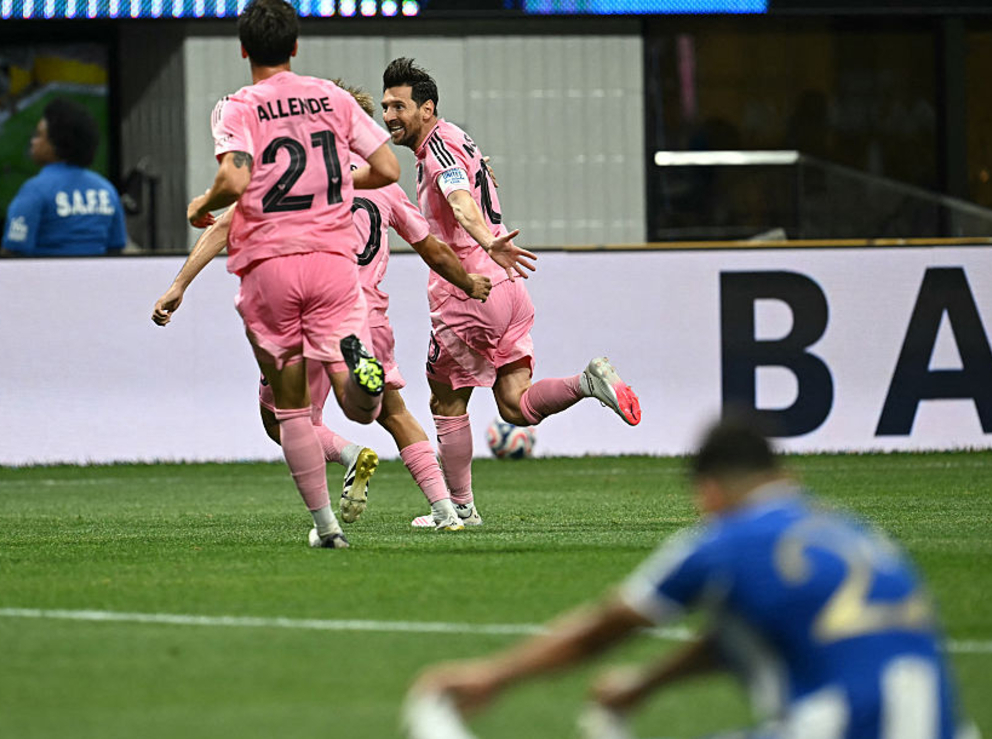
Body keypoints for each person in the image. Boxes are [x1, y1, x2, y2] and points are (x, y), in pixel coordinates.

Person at [403, 416, 983, 739]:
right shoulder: (855, 534)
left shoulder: (726, 541)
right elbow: (739, 639)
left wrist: (493, 677)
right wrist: (645, 685)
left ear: (708, 491)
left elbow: (605, 629)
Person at [153, 82, 496, 532]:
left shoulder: (295, 175)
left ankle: (349, 457)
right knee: (393, 413)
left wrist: (178, 285)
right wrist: (468, 281)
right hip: (368, 316)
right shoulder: (385, 185)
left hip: (309, 310)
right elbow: (431, 248)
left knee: (283, 419)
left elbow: (224, 228)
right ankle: (446, 510)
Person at [381, 57, 642, 529]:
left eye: (399, 106)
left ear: (427, 108)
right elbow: (470, 184)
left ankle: (460, 509)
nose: (389, 116)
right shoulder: (458, 138)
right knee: (514, 405)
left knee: (446, 403)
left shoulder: (438, 150)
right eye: (386, 107)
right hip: (510, 291)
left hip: (469, 291)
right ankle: (586, 383)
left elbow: (461, 203)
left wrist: (486, 242)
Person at [186, 0, 400, 549]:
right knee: (352, 396)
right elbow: (387, 168)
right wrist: (334, 185)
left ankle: (327, 528)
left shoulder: (238, 107)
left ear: (243, 50)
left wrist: (200, 204)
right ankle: (363, 385)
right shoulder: (331, 98)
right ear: (296, 46)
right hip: (332, 261)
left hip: (270, 267)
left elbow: (234, 181)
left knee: (290, 407)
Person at [1, 97, 127, 256]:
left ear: (57, 143)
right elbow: (116, 248)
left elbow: (13, 252)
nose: (33, 141)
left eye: (39, 135)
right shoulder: (107, 190)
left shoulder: (34, 190)